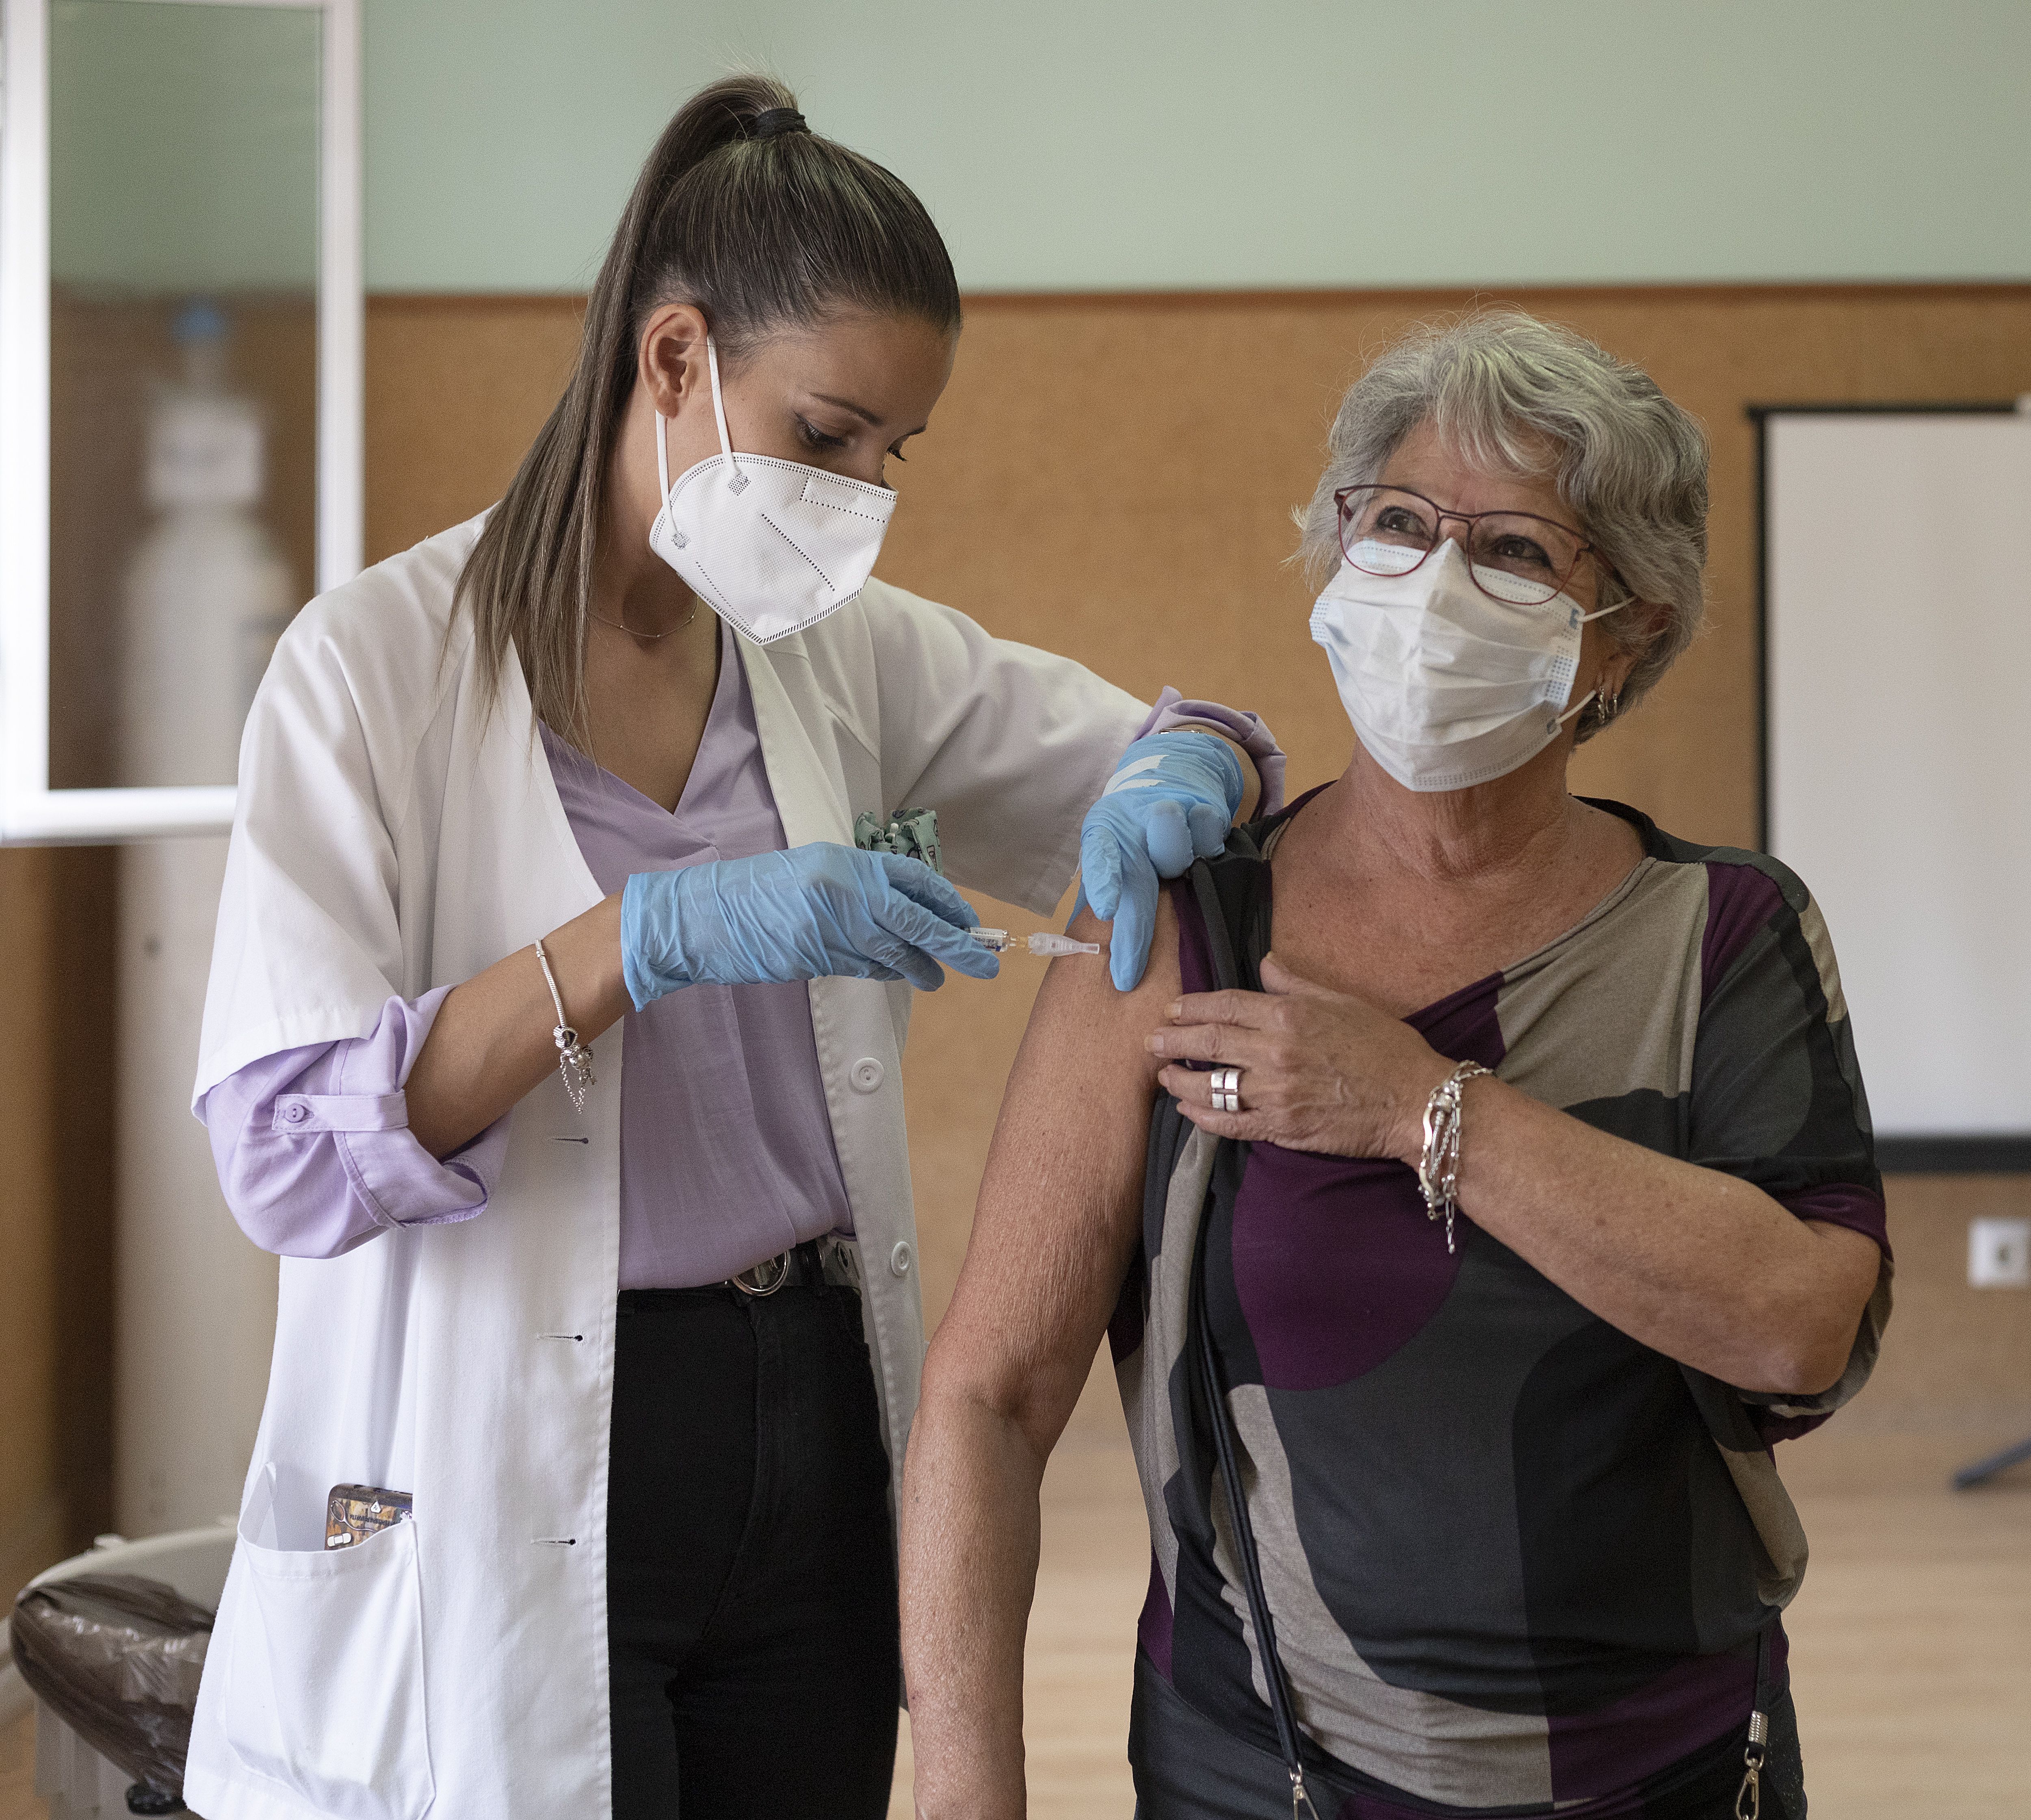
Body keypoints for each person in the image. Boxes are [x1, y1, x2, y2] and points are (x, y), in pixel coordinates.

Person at [182, 77, 1282, 1820]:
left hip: (815, 1409)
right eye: (827, 435)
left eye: (894, 454)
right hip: (530, 1432)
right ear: (676, 356)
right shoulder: (373, 670)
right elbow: (285, 1150)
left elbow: (1174, 740)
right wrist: (642, 937)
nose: (861, 496)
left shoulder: (836, 654)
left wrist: (1190, 769)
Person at [900, 311, 1893, 1820]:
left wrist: (1421, 1108)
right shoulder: (1189, 924)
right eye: (1402, 523)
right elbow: (989, 1397)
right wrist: (967, 1795)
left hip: (1663, 1772)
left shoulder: (1721, 935)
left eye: (1515, 550)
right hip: (1264, 1769)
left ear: (1624, 635)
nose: (1436, 584)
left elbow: (1801, 1331)